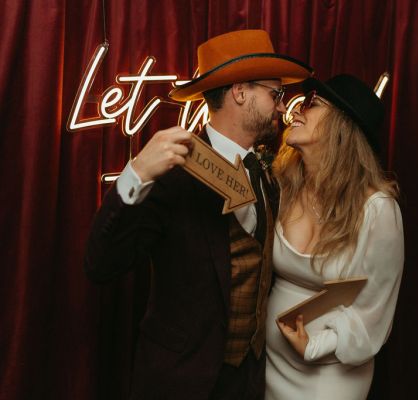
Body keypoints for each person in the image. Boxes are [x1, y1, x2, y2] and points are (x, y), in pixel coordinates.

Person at [84, 29, 312, 400]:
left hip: (248, 382)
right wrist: (136, 174)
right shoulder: (173, 172)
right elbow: (100, 263)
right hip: (180, 381)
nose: (282, 107)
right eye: (275, 94)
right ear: (240, 92)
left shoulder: (267, 175)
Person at [265, 74, 404, 399]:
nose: (298, 109)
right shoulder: (283, 186)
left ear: (342, 127)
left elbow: (375, 309)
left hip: (331, 375)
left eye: (313, 104)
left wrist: (316, 345)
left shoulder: (377, 211)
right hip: (270, 368)